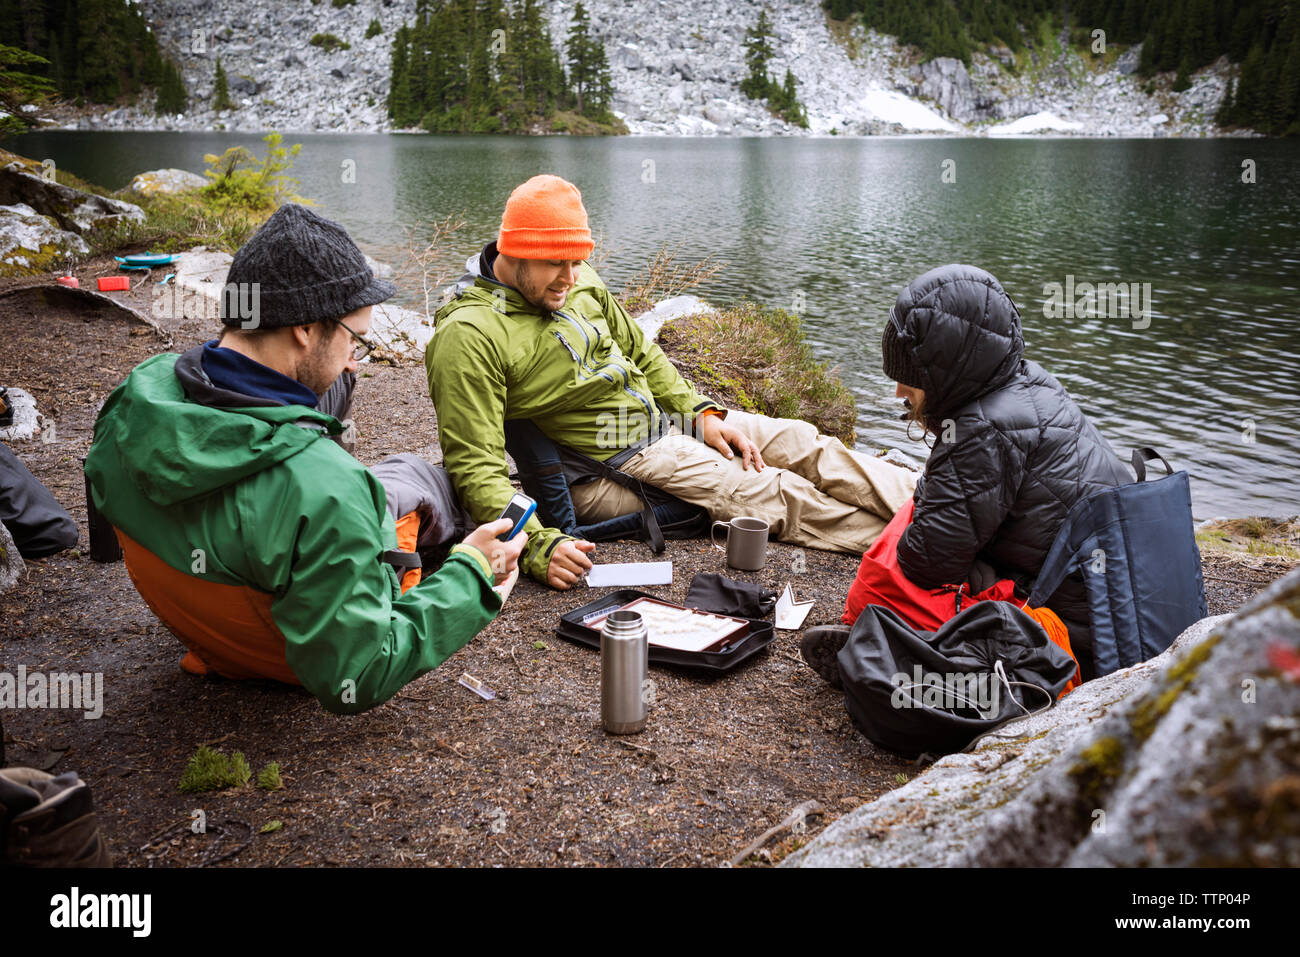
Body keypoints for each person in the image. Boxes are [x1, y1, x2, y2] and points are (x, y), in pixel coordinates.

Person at [85, 204, 525, 714]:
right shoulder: (329, 491)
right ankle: (462, 526)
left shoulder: (136, 396)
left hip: (207, 628)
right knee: (416, 482)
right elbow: (358, 674)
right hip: (296, 655)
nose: (355, 357)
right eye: (352, 338)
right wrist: (471, 574)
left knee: (349, 412)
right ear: (305, 329)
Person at [425, 174, 918, 589]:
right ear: (517, 252)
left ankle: (951, 505)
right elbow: (476, 463)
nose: (571, 278)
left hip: (667, 420)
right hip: (612, 455)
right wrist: (535, 546)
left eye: (577, 262)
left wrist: (701, 413)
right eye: (557, 263)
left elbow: (641, 350)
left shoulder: (574, 278)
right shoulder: (469, 334)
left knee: (807, 443)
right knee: (777, 492)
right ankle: (929, 546)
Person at [802, 264, 1131, 684]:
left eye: (910, 379)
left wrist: (959, 549)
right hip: (1108, 606)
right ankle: (882, 644)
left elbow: (927, 563)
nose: (900, 392)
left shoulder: (983, 430)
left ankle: (881, 646)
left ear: (947, 370)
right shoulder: (1034, 384)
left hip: (1076, 637)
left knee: (888, 579)